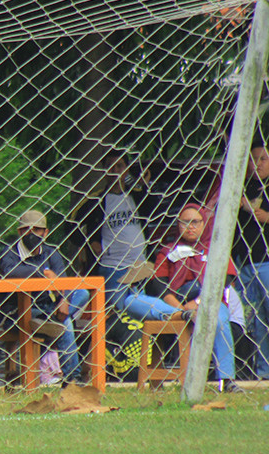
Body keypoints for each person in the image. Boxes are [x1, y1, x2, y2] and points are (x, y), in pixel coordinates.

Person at [121, 203, 241, 393]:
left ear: (204, 223)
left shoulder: (216, 248)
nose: (190, 226)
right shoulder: (168, 250)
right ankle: (180, 315)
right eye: (185, 222)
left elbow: (223, 282)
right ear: (178, 224)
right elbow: (158, 285)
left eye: (195, 222)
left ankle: (227, 380)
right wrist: (181, 309)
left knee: (219, 320)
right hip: (175, 306)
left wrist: (198, 303)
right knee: (131, 301)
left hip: (208, 303)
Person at [0, 210, 91, 384]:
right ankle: (72, 379)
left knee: (82, 293)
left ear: (45, 233)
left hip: (50, 307)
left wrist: (64, 300)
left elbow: (62, 280)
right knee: (66, 324)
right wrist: (43, 272)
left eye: (37, 229)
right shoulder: (9, 253)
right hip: (18, 312)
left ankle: (52, 321)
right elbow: (11, 272)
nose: (32, 234)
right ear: (19, 232)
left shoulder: (51, 252)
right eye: (27, 229)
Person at [73, 151, 149, 309]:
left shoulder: (138, 196)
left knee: (141, 312)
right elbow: (70, 225)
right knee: (117, 314)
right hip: (113, 268)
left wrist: (143, 186)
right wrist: (90, 242)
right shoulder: (96, 200)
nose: (115, 171)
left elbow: (156, 209)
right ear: (103, 171)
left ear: (126, 169)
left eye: (119, 166)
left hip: (140, 266)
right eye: (110, 166)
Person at [233, 143, 269, 379]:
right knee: (252, 319)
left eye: (263, 159)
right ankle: (259, 371)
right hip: (243, 265)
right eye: (253, 159)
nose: (257, 164)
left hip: (266, 263)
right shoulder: (241, 186)